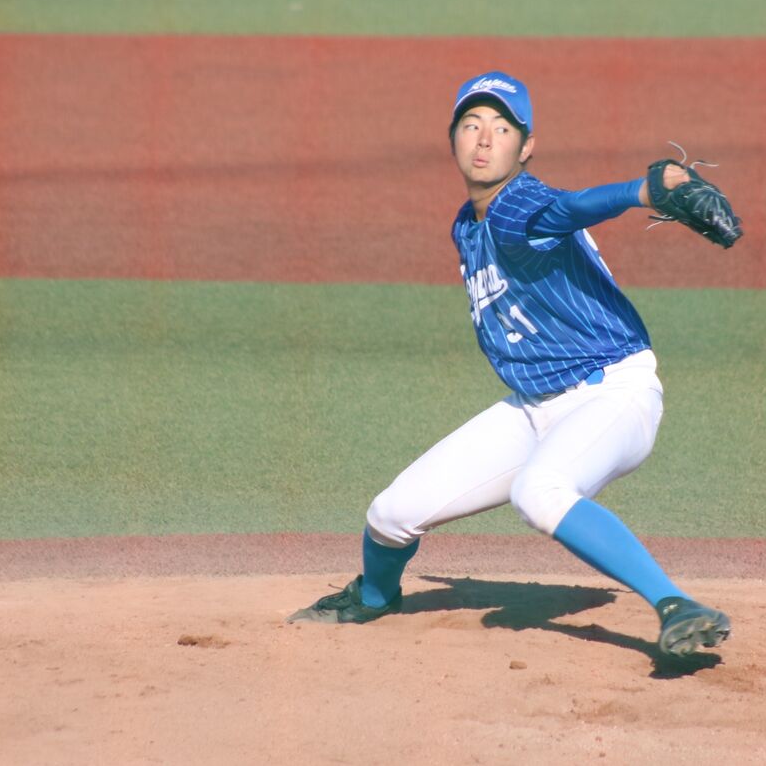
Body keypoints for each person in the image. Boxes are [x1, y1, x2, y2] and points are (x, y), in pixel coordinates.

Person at [287, 71, 731, 657]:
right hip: (532, 407)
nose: (483, 138)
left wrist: (642, 192)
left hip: (612, 394)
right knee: (391, 514)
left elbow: (569, 208)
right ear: (452, 140)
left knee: (539, 491)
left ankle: (676, 604)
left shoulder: (518, 202)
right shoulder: (466, 224)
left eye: (501, 128)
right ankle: (373, 596)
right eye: (471, 125)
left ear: (525, 147)